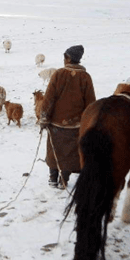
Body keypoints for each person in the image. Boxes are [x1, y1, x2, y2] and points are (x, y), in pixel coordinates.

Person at [38, 45, 96, 189]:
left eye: (64, 57)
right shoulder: (85, 77)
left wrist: (44, 118)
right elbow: (91, 103)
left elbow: (49, 99)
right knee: (70, 153)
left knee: (53, 149)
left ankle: (53, 178)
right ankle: (64, 179)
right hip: (75, 125)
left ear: (68, 58)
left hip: (56, 123)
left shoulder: (58, 74)